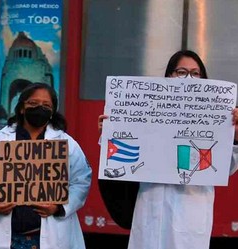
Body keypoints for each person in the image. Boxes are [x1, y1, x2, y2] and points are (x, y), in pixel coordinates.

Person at [98, 50, 238, 249]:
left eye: (195, 73)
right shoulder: (148, 108)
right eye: (181, 72)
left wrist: (236, 137)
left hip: (191, 209)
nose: (189, 78)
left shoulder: (216, 116)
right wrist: (111, 131)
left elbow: (227, 167)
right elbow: (122, 157)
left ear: (204, 78)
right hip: (151, 205)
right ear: (169, 76)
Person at [0, 83, 92, 249]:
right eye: (33, 104)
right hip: (9, 237)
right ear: (21, 108)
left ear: (52, 111)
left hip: (50, 235)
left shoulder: (66, 143)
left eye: (46, 105)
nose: (39, 108)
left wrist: (59, 207)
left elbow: (82, 180)